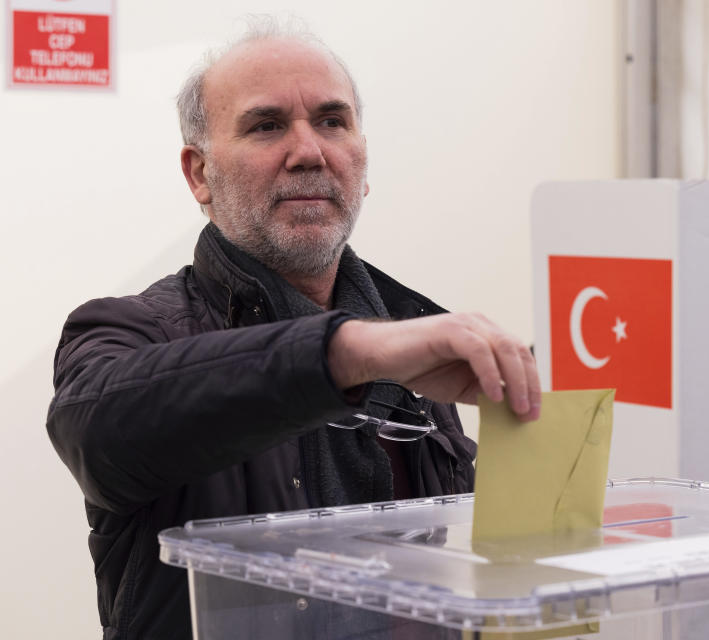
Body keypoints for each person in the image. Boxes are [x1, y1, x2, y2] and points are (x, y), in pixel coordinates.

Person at [47, 19, 540, 640]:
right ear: (199, 173)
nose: (310, 151)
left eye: (333, 121)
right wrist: (344, 352)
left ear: (363, 162)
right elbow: (100, 435)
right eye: (266, 125)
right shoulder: (130, 331)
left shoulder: (412, 327)